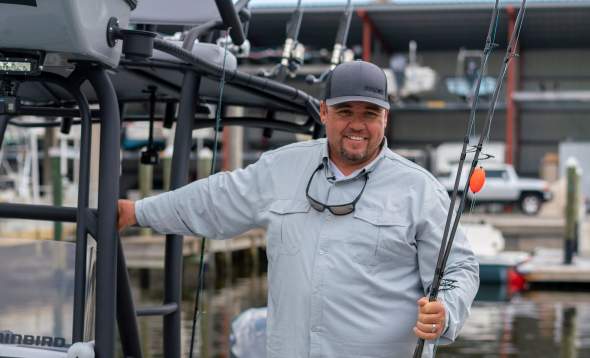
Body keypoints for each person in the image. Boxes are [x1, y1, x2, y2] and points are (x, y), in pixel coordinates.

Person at [118, 60, 479, 358]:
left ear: (385, 117)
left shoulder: (420, 188)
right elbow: (214, 199)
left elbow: (459, 268)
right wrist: (137, 212)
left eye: (369, 112)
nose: (357, 124)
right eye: (344, 111)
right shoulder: (280, 168)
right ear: (324, 112)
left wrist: (445, 310)